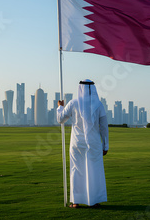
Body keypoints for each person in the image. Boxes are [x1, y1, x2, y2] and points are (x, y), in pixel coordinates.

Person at [57, 79, 109, 208]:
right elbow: (104, 127)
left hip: (77, 143)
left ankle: (76, 202)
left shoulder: (73, 103)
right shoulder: (99, 104)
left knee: (76, 170)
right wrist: (105, 145)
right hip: (94, 143)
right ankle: (94, 201)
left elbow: (60, 119)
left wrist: (60, 107)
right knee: (94, 171)